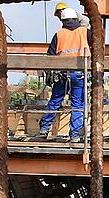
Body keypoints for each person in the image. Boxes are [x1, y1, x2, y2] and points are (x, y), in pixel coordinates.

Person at [38, 8, 90, 142]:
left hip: (62, 74)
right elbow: (97, 49)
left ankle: (44, 129)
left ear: (63, 20)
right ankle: (74, 135)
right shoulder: (85, 32)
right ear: (76, 19)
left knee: (55, 100)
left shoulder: (59, 34)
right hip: (79, 74)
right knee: (77, 104)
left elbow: (50, 55)